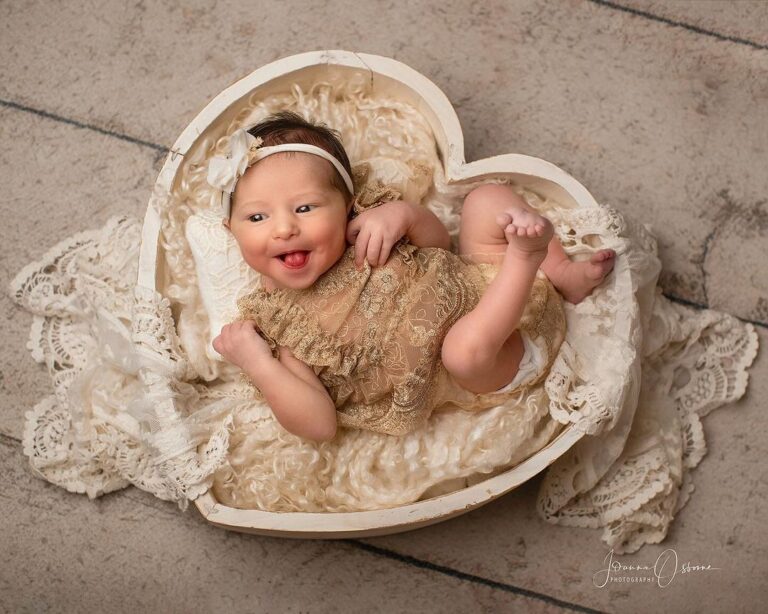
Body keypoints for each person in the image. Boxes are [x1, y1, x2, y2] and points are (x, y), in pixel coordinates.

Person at [211, 111, 615, 442]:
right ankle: (528, 257)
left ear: (346, 206)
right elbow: (319, 426)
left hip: (488, 285)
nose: (284, 229)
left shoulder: (367, 224)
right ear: (233, 231)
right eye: (257, 217)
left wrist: (404, 216)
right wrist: (259, 364)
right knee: (460, 349)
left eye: (304, 209)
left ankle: (560, 273)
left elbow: (440, 247)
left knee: (486, 199)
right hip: (492, 361)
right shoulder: (279, 328)